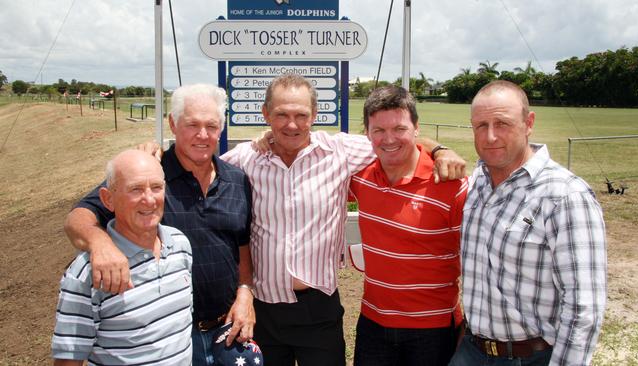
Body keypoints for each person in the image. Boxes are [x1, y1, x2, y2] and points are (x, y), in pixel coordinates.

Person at [222, 73, 466, 366]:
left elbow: (395, 137)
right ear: (265, 115)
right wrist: (152, 152)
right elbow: (202, 172)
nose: (291, 124)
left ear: (314, 115)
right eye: (281, 115)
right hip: (263, 310)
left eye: (301, 115)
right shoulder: (245, 158)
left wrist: (440, 149)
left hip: (320, 309)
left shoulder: (340, 151)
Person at [63, 84, 254, 366]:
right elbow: (78, 218)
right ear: (173, 124)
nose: (202, 135)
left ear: (221, 129)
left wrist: (245, 292)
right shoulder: (150, 175)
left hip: (227, 331)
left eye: (211, 126)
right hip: (171, 339)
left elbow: (242, 246)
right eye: (192, 125)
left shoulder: (237, 180)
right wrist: (100, 243)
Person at [448, 80, 607, 366]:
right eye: (481, 125)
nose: (491, 136)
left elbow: (583, 308)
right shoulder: (477, 185)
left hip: (531, 356)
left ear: (528, 122)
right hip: (472, 350)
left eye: (502, 123)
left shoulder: (564, 195)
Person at [348, 86, 468, 366]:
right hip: (373, 324)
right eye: (378, 130)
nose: (388, 139)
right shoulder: (360, 177)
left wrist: (438, 149)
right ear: (367, 133)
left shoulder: (452, 185)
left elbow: (477, 264)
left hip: (433, 330)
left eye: (399, 128)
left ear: (416, 128)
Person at [52, 150, 193, 365]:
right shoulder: (87, 273)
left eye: (156, 187)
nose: (149, 200)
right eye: (135, 189)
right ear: (108, 199)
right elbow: (69, 360)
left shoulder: (180, 245)